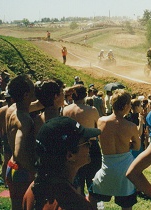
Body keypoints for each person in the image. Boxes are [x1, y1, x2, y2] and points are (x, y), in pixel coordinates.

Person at [22, 116, 100, 210]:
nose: (90, 145)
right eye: (86, 142)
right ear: (70, 155)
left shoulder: (34, 190)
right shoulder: (77, 205)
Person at [88, 89, 140, 210]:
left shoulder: (101, 121)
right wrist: (127, 144)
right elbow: (137, 147)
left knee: (93, 196)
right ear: (126, 105)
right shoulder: (131, 126)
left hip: (107, 166)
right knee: (127, 204)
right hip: (125, 168)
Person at [5, 74, 37, 210]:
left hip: (11, 167)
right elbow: (19, 152)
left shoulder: (12, 109)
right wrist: (34, 171)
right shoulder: (24, 120)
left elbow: (39, 103)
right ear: (26, 95)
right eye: (32, 89)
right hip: (22, 171)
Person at [62, 85, 101, 195]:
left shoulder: (65, 110)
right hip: (90, 144)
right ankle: (92, 204)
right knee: (92, 179)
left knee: (76, 179)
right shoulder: (92, 110)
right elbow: (98, 128)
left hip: (72, 145)